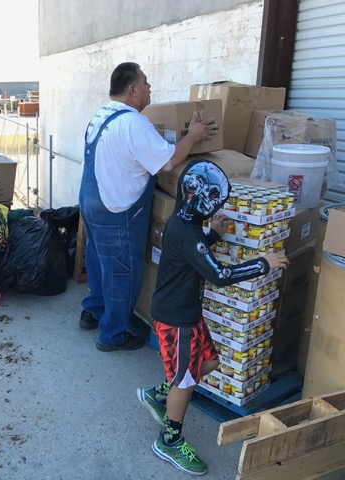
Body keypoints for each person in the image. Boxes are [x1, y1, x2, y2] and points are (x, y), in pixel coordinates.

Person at [136, 159, 290, 475]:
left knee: (209, 364)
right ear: (204, 202)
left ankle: (159, 395)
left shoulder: (183, 225)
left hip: (187, 314)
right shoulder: (186, 232)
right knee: (188, 380)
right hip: (176, 320)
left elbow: (194, 255)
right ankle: (169, 440)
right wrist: (263, 263)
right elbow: (218, 274)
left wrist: (214, 236)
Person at [78, 62, 219, 351]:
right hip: (116, 209)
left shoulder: (102, 114)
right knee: (122, 272)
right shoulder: (133, 122)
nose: (149, 87)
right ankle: (112, 335)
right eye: (145, 82)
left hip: (91, 202)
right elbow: (167, 162)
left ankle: (93, 310)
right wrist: (192, 135)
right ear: (132, 90)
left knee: (97, 259)